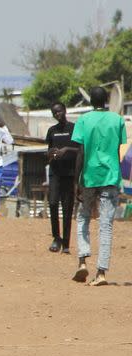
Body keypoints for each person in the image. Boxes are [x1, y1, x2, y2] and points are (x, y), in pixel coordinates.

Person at [71, 86, 127, 286]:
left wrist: (76, 180)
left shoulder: (84, 120)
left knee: (83, 217)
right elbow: (120, 148)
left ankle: (83, 261)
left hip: (89, 177)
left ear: (91, 101)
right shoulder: (118, 120)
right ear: (106, 101)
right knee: (106, 226)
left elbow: (80, 151)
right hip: (110, 177)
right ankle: (101, 273)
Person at [46, 102, 79, 253]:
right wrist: (51, 153)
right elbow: (48, 152)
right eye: (54, 113)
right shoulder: (51, 131)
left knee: (67, 208)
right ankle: (56, 238)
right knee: (52, 203)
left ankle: (66, 244)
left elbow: (81, 149)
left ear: (65, 110)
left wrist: (66, 150)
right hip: (55, 173)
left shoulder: (74, 128)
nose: (57, 114)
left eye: (59, 111)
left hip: (70, 174)